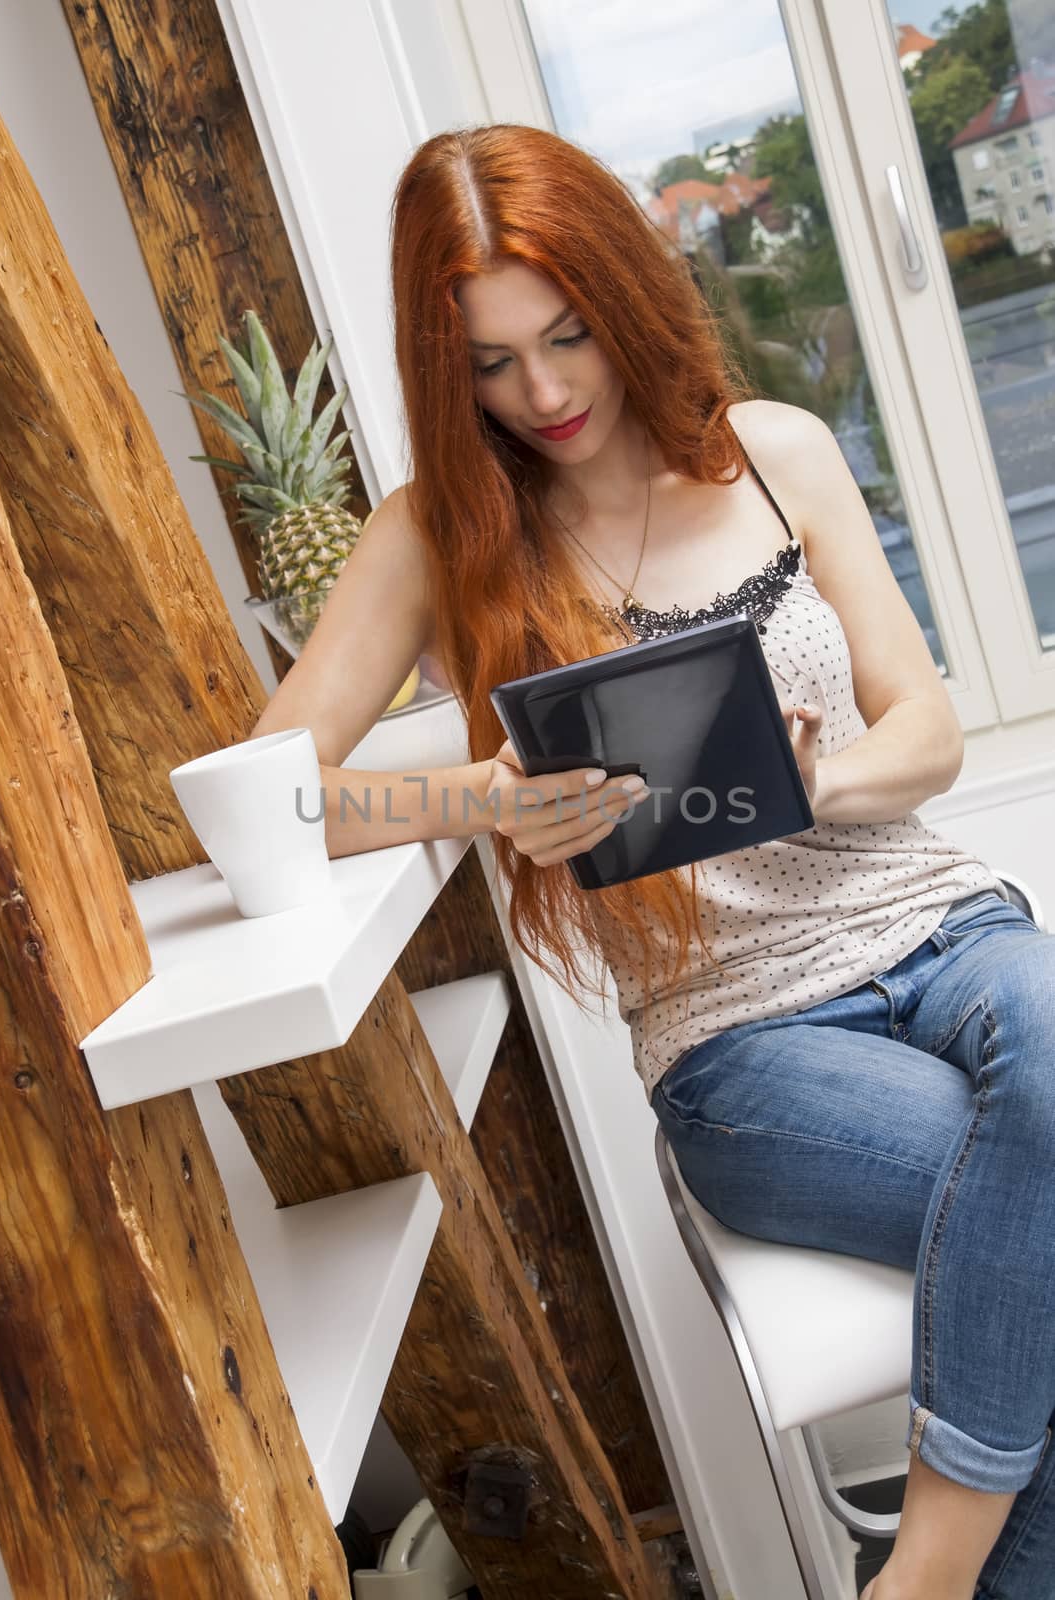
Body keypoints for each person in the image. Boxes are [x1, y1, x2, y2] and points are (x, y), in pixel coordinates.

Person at [249, 123, 1055, 1600]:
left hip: (939, 925)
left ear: (622, 294)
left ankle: (922, 1580)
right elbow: (263, 799)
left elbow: (926, 729)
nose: (544, 392)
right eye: (492, 363)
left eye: (566, 336)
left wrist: (819, 781)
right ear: (448, 375)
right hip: (740, 1034)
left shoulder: (776, 453)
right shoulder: (437, 538)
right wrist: (477, 804)